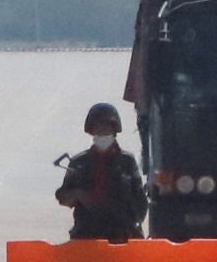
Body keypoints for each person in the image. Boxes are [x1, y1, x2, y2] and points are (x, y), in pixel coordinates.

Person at [55, 102, 149, 242]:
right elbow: (63, 197)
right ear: (91, 131)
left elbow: (140, 200)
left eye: (106, 127)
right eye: (98, 127)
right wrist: (78, 194)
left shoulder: (126, 161)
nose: (102, 131)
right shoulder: (79, 163)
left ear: (114, 130)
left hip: (122, 236)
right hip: (87, 236)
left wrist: (133, 226)